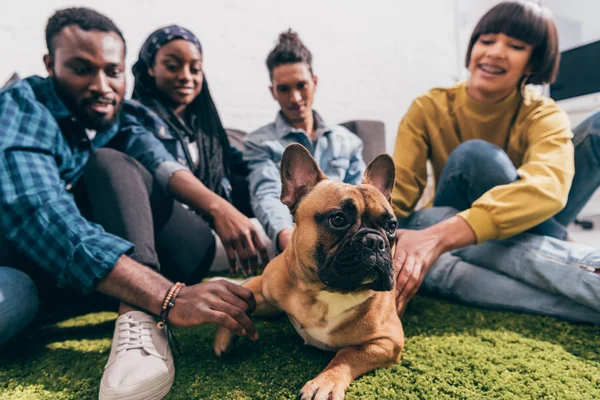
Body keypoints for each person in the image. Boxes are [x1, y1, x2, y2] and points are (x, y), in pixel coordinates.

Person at [0, 8, 266, 400]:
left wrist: (220, 208)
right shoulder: (24, 107)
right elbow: (40, 213)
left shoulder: (121, 118)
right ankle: (141, 305)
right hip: (27, 267)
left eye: (112, 70)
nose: (101, 85)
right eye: (81, 69)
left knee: (109, 162)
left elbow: (161, 165)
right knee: (17, 296)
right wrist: (165, 296)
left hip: (98, 272)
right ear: (49, 64)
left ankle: (136, 315)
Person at [391, 0, 600, 323]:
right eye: (486, 41)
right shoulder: (429, 107)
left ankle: (552, 239)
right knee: (475, 158)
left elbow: (548, 188)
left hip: (506, 223)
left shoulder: (543, 113)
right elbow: (399, 194)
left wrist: (439, 237)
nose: (496, 52)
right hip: (450, 214)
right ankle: (558, 243)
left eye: (515, 46)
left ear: (533, 63)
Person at [126, 24, 265, 275]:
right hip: (171, 234)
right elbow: (157, 160)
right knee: (278, 238)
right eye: (172, 65)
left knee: (258, 181)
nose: (186, 76)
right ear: (150, 68)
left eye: (195, 68)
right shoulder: (132, 116)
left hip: (209, 227)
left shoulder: (205, 128)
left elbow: (244, 165)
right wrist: (220, 208)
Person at [244, 30, 366, 252]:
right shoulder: (259, 143)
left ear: (315, 82)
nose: (295, 98)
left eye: (301, 85)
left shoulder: (348, 143)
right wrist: (286, 236)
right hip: (292, 239)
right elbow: (267, 194)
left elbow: (363, 198)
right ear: (273, 92)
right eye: (284, 89)